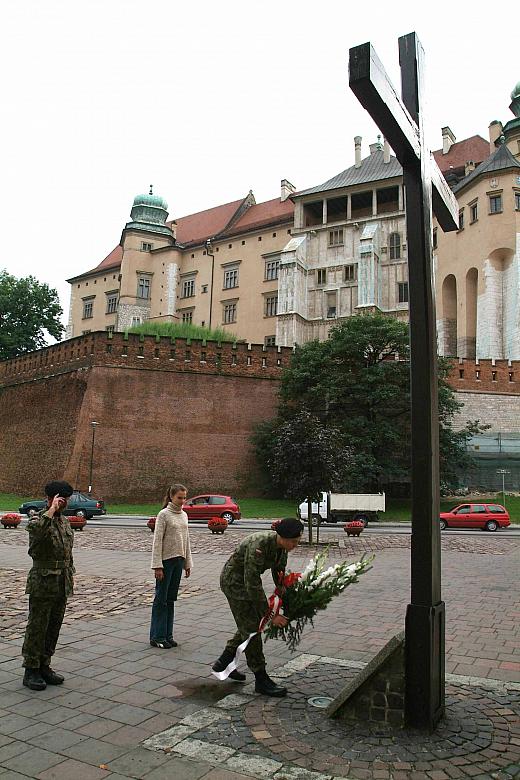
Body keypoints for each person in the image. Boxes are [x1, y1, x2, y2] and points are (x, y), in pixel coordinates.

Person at [212, 517, 304, 696]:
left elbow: (279, 574)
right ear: (282, 537)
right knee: (252, 629)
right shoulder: (259, 544)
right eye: (294, 541)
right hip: (234, 583)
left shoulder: (282, 549)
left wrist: (286, 595)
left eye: (297, 541)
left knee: (249, 624)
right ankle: (261, 679)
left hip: (247, 583)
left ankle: (224, 661)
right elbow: (252, 583)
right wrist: (270, 614)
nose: (296, 545)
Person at [22, 480, 75, 691]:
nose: (64, 503)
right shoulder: (38, 518)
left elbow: (67, 552)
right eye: (61, 499)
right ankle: (31, 669)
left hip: (61, 582)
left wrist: (70, 574)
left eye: (66, 499)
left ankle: (45, 665)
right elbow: (36, 533)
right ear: (51, 498)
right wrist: (51, 510)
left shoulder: (64, 522)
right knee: (37, 627)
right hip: (43, 582)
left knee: (54, 626)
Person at [150, 483, 192, 648]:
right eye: (179, 498)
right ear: (171, 496)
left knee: (171, 599)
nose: (182, 501)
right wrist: (157, 566)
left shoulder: (184, 515)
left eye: (184, 498)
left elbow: (186, 540)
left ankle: (168, 635)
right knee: (161, 599)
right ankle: (157, 636)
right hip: (166, 562)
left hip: (179, 561)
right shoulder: (164, 515)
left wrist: (187, 563)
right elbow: (157, 541)